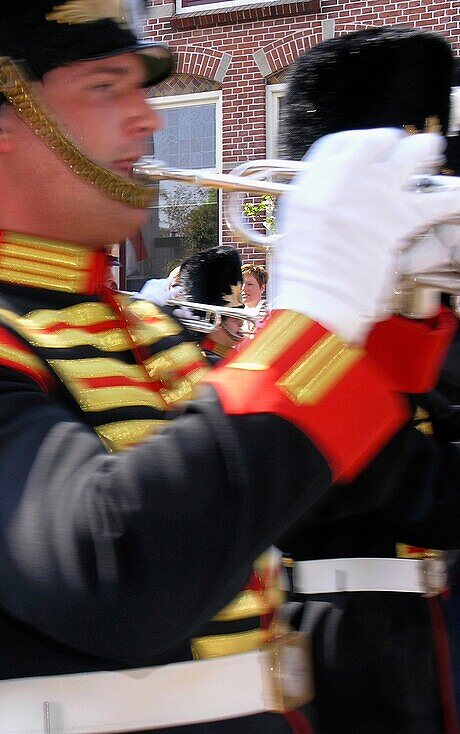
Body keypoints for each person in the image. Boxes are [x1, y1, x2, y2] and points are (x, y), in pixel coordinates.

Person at [0, 2, 460, 732]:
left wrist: (395, 313)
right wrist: (314, 316)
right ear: (0, 114)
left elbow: (288, 486)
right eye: (106, 87)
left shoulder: (146, 326)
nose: (149, 119)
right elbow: (119, 578)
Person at [273, 27, 460, 734]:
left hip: (433, 627)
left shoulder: (432, 325)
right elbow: (382, 483)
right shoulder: (293, 337)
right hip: (347, 637)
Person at [175, 245, 247, 360]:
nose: (241, 323)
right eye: (233, 317)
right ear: (214, 319)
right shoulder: (204, 361)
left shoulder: (231, 357)